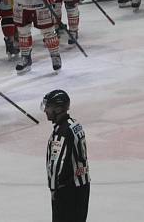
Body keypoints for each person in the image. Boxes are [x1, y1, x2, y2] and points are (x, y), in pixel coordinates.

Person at [42, 89, 90, 222]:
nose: (45, 110)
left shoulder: (61, 133)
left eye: (48, 107)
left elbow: (57, 163)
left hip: (68, 191)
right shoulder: (75, 124)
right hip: (83, 185)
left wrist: (53, 189)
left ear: (58, 109)